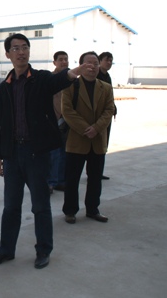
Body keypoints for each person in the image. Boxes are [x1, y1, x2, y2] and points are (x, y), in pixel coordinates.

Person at [0, 34, 85, 270]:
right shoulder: (3, 89)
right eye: (16, 48)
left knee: (40, 206)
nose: (21, 52)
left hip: (35, 154)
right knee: (11, 207)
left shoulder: (41, 79)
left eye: (25, 47)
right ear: (8, 54)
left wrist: (73, 72)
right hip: (12, 155)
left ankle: (43, 250)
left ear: (29, 52)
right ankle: (6, 250)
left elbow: (59, 80)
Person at [61, 51, 115, 224]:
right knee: (72, 178)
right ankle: (70, 211)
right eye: (88, 63)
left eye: (96, 63)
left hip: (98, 140)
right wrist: (86, 129)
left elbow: (109, 110)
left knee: (95, 179)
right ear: (81, 65)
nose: (92, 67)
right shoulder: (71, 86)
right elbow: (67, 111)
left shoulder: (106, 87)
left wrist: (97, 128)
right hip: (77, 139)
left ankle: (93, 209)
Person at [48, 50, 69, 193]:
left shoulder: (72, 79)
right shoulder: (49, 79)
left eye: (65, 59)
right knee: (53, 154)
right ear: (54, 62)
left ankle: (61, 181)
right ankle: (50, 182)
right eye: (60, 59)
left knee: (65, 153)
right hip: (53, 121)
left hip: (68, 122)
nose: (63, 62)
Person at [96, 51, 118, 180]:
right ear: (100, 61)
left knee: (103, 144)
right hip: (98, 115)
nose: (109, 63)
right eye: (107, 60)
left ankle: (98, 171)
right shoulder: (96, 75)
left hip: (107, 114)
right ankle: (93, 171)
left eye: (111, 61)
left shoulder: (107, 76)